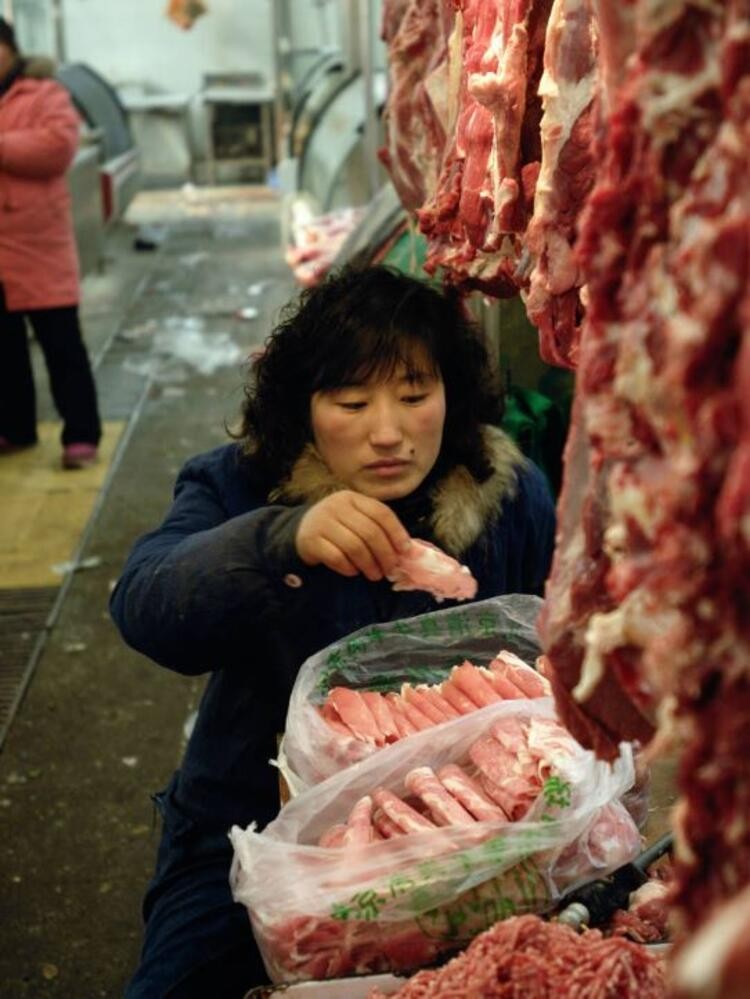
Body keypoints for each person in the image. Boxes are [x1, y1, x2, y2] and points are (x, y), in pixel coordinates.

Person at [110, 264, 556, 997]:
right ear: (304, 405)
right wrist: (280, 539)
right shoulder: (239, 483)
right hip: (249, 826)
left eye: (415, 396)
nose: (388, 434)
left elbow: (556, 653)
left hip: (459, 832)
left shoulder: (508, 495)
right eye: (352, 401)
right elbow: (145, 604)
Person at [0, 17, 101, 469]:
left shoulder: (45, 93)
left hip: (36, 243)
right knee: (5, 351)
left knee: (61, 345)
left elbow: (56, 147)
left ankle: (80, 435)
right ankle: (15, 428)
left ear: (9, 49)